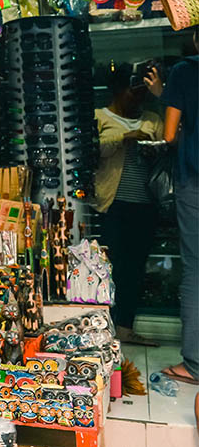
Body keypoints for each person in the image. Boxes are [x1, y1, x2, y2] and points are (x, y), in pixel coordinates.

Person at [95, 62, 165, 346]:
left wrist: (153, 148)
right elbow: (93, 150)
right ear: (120, 90)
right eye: (134, 93)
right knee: (110, 269)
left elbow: (169, 147)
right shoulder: (99, 116)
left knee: (136, 268)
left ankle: (125, 327)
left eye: (142, 94)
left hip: (146, 205)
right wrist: (126, 136)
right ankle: (102, 327)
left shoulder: (153, 119)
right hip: (113, 205)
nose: (138, 99)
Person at [160, 30, 199, 385]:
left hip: (194, 180)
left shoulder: (184, 72)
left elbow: (169, 135)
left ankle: (195, 364)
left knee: (195, 267)